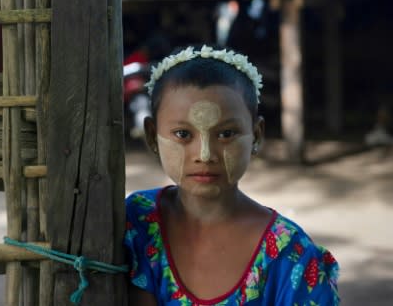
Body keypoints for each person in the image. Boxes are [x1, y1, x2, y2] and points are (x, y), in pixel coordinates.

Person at [124, 45, 340, 305]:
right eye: (183, 134)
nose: (204, 154)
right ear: (152, 136)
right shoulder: (137, 223)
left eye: (226, 134)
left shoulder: (290, 254)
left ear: (256, 135)